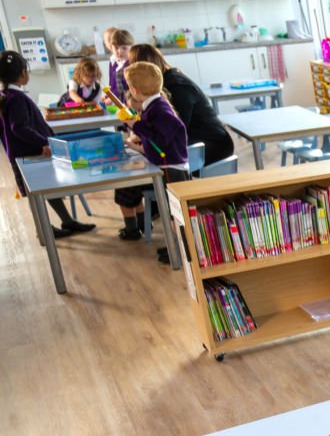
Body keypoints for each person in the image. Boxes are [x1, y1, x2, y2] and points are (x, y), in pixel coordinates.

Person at [0, 51, 95, 238]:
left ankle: (67, 221)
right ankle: (43, 230)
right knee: (37, 194)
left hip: (23, 153)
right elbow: (19, 128)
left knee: (46, 189)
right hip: (29, 154)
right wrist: (44, 142)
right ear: (22, 74)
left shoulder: (7, 95)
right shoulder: (16, 98)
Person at [114, 63, 189, 263]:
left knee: (175, 213)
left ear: (134, 90)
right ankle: (177, 248)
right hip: (165, 166)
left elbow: (162, 137)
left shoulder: (160, 108)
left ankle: (182, 251)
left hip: (171, 168)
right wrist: (135, 126)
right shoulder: (153, 106)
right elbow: (152, 133)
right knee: (170, 211)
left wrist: (135, 125)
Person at [129, 44, 234, 166]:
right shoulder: (165, 83)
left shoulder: (177, 86)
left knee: (153, 156)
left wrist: (142, 133)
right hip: (199, 140)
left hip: (214, 146)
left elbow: (174, 130)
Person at [107, 28, 133, 104]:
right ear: (111, 47)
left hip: (130, 103)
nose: (119, 51)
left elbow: (131, 89)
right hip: (117, 103)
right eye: (116, 48)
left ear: (131, 47)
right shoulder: (113, 62)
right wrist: (109, 95)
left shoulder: (131, 64)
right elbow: (112, 84)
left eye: (124, 48)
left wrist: (113, 98)